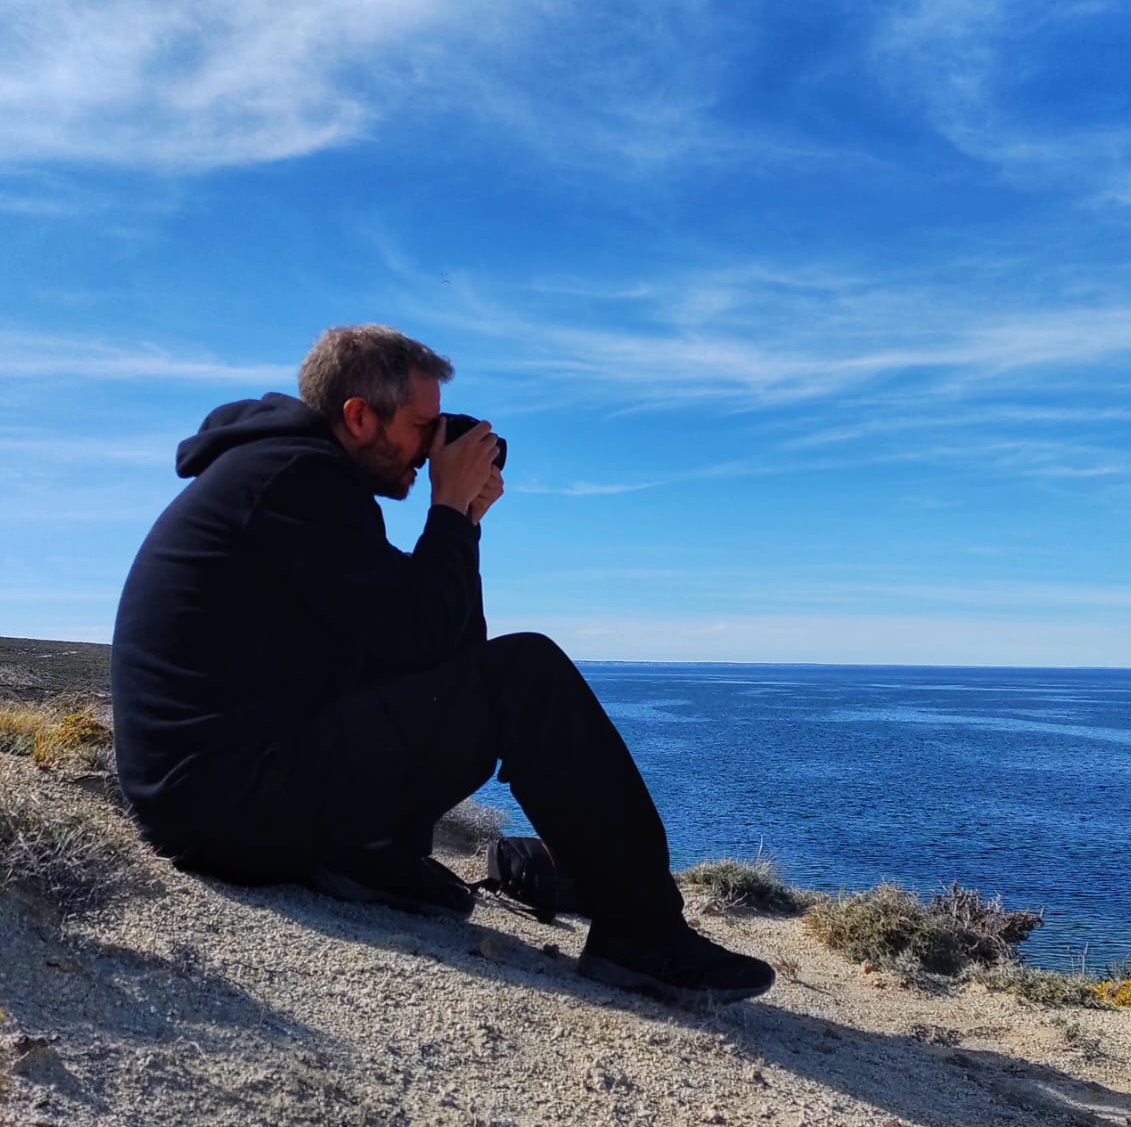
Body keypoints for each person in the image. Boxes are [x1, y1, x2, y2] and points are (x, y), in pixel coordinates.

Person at [111, 323, 774, 1005]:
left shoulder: (296, 481)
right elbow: (435, 647)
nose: (431, 450)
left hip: (222, 788)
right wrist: (448, 512)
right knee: (530, 674)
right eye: (423, 426)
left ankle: (372, 856)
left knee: (490, 676)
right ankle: (642, 934)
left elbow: (443, 656)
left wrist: (466, 523)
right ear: (359, 415)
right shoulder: (293, 479)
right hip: (218, 804)